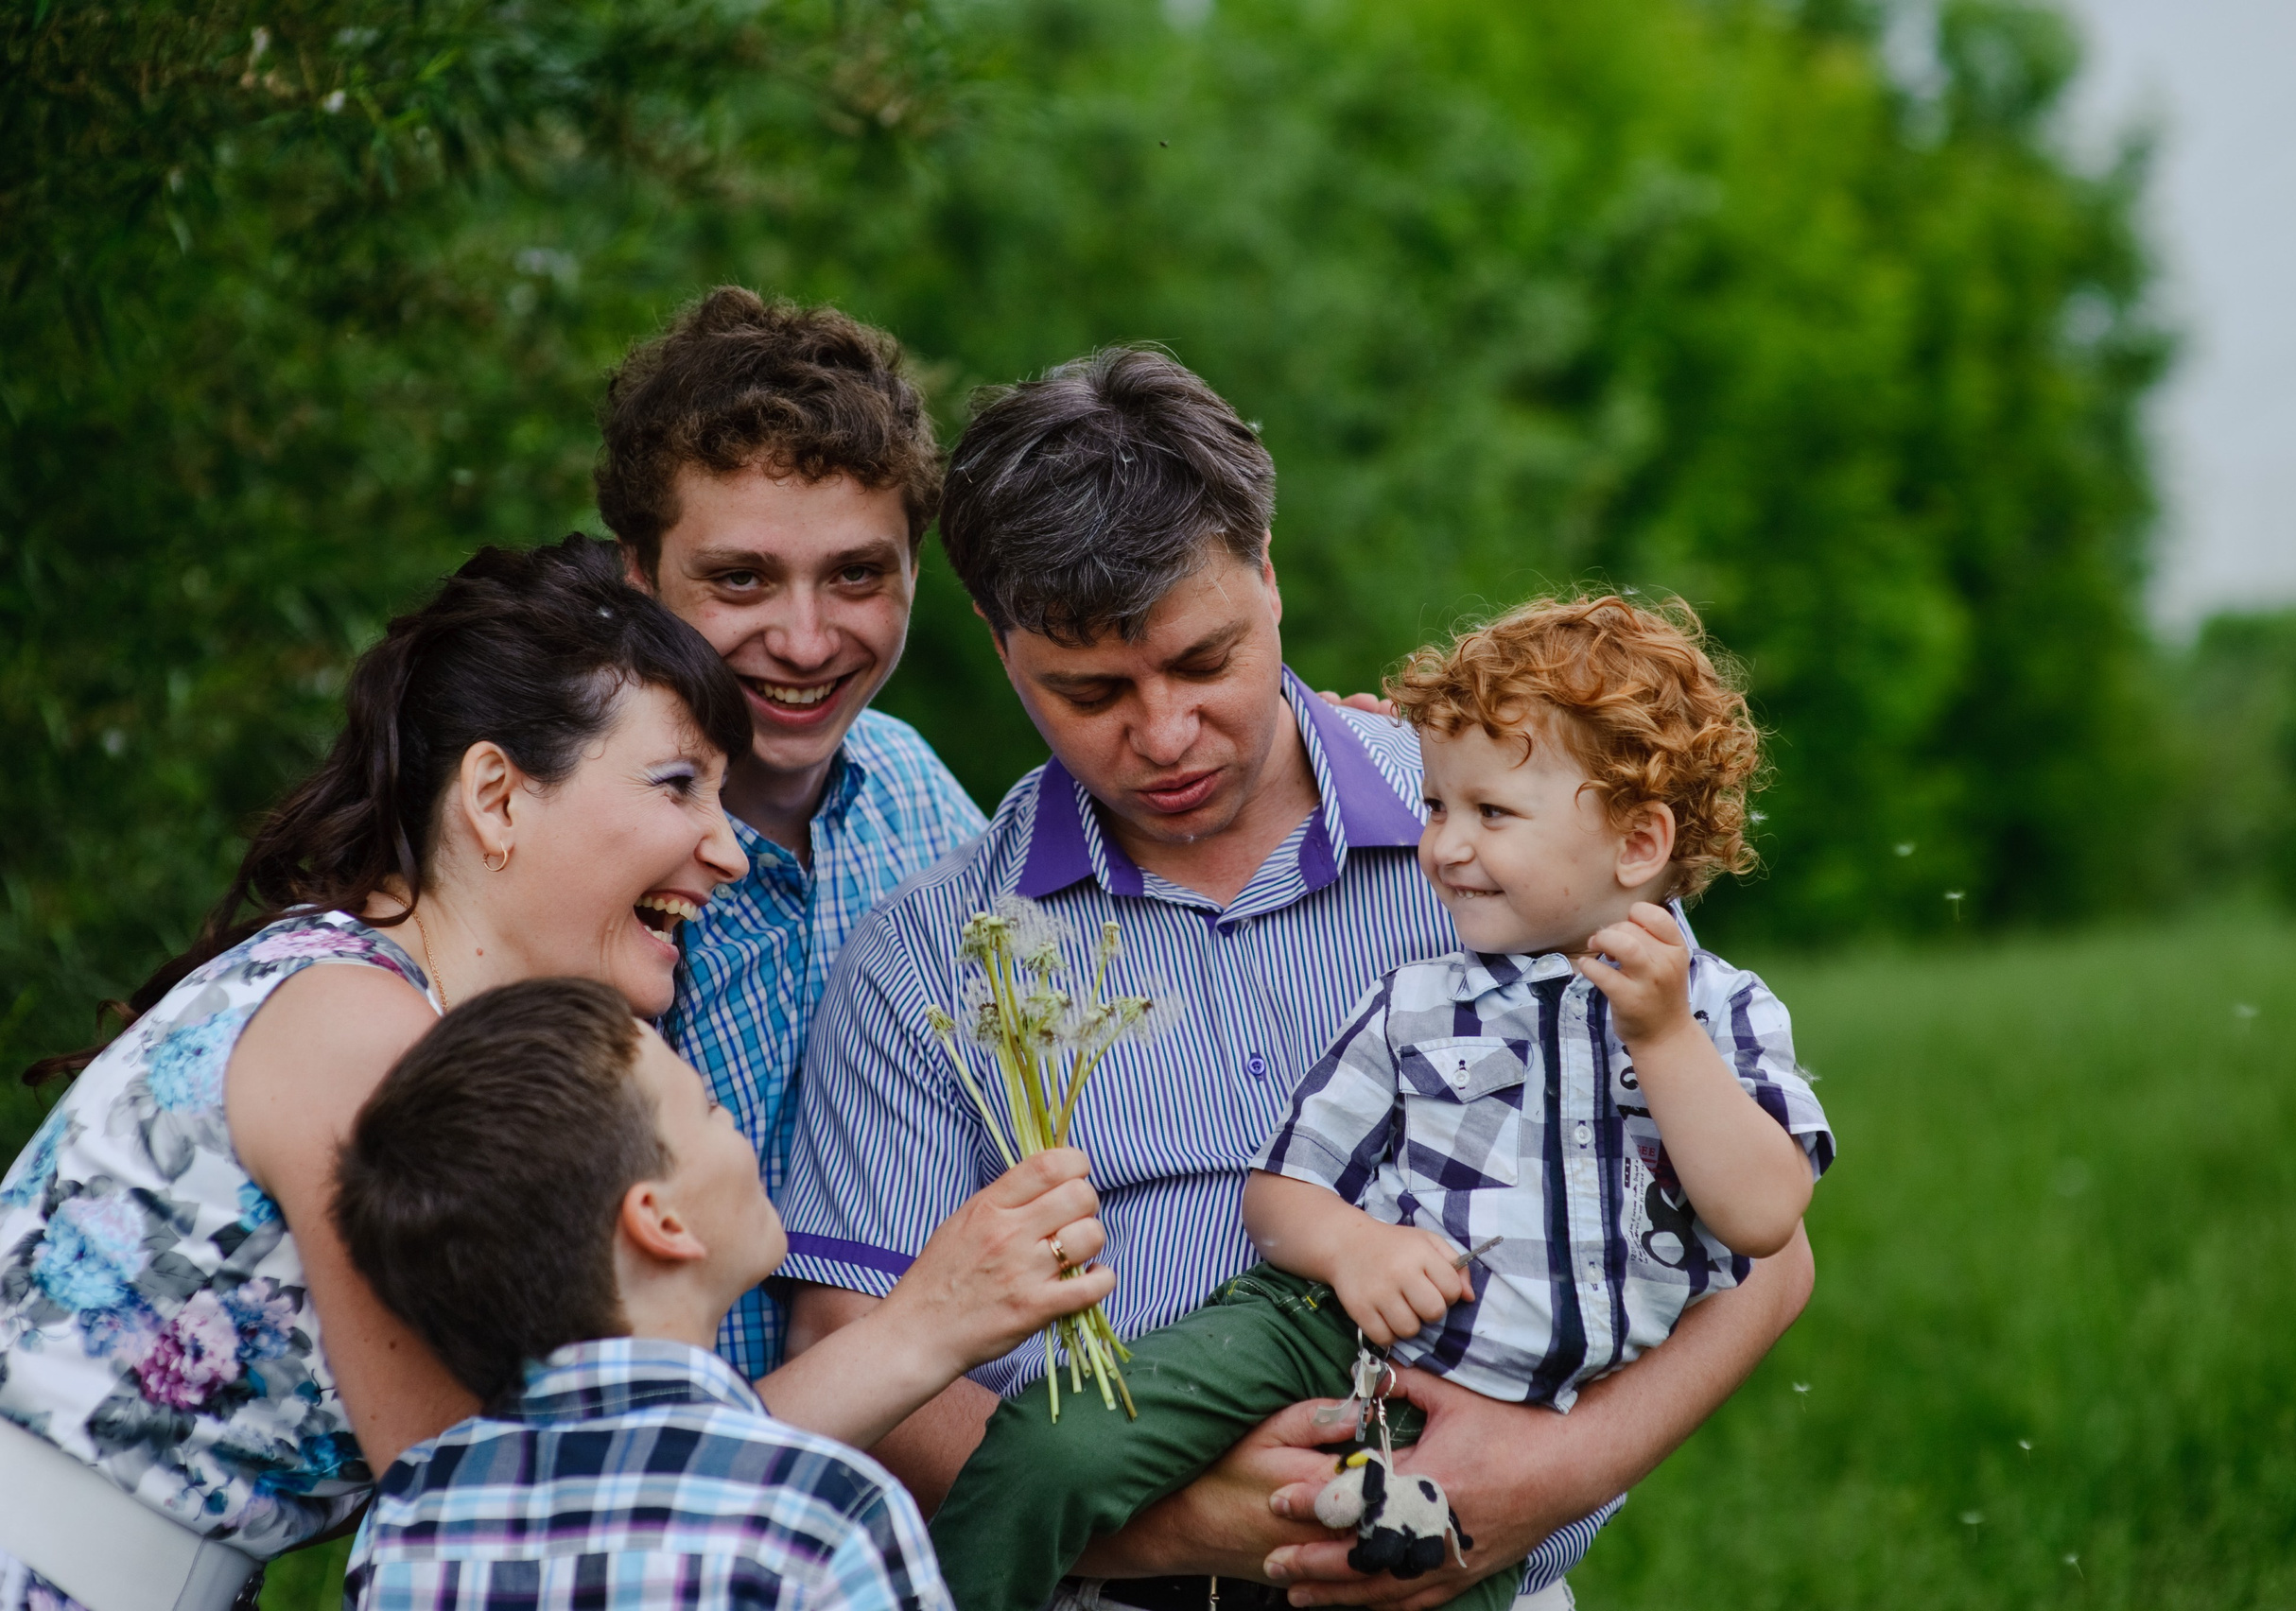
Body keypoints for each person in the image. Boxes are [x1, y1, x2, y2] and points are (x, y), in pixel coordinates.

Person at [778, 349, 1818, 1611]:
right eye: (1091, 692)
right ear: (1002, 650)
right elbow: (854, 1353)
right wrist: (1176, 1530)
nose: (1165, 735)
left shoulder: (1516, 836)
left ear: (1267, 574)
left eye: (1204, 661)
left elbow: (1762, 1250)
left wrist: (1551, 1472)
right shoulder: (928, 958)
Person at [0, 538, 1099, 1611]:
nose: (726, 849)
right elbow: (542, 1511)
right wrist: (920, 1329)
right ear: (496, 796)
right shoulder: (354, 1029)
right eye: (678, 785)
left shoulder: (409, 1018)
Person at [924, 593, 1837, 1611]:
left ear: (1636, 845)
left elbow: (1763, 1218)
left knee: (1420, 1579)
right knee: (1056, 1445)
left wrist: (1663, 1040)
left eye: (1492, 814)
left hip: (1513, 1413)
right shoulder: (1419, 1000)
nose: (1443, 847)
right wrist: (1354, 1248)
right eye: (1437, 807)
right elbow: (1279, 1191)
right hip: (1319, 1327)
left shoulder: (1721, 1014)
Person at [338, 978, 1089, 1606]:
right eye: (707, 1109)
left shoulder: (409, 1514)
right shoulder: (820, 1509)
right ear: (662, 1222)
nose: (732, 1123)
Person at [597, 287, 988, 1381]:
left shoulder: (912, 794)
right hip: (643, 1464)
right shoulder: (570, 846)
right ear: (639, 576)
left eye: (857, 575)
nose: (806, 642)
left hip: (899, 1461)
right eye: (741, 579)